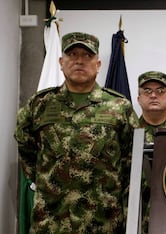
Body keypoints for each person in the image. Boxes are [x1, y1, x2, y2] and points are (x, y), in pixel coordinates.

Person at [14, 32, 139, 233]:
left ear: (98, 64)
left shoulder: (119, 106)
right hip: (51, 221)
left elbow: (131, 163)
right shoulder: (39, 105)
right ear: (61, 62)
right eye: (72, 54)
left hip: (103, 222)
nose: (79, 60)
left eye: (87, 56)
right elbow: (27, 150)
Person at [136, 71, 166, 234]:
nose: (154, 95)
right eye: (147, 91)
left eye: (160, 91)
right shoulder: (128, 131)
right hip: (137, 215)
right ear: (138, 99)